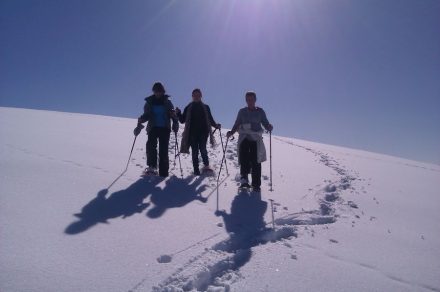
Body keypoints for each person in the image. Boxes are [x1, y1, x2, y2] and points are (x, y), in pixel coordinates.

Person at [226, 91, 273, 192]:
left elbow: (265, 122)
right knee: (244, 158)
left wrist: (269, 126)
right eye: (248, 100)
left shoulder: (260, 112)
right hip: (244, 137)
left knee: (256, 160)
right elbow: (237, 123)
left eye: (251, 99)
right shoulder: (242, 111)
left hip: (256, 138)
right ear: (246, 100)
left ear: (255, 100)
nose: (250, 101)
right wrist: (232, 132)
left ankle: (256, 184)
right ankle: (244, 180)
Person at [134, 82, 178, 177]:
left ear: (162, 91)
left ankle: (163, 172)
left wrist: (174, 118)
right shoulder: (149, 102)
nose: (158, 93)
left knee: (163, 149)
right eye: (156, 91)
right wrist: (142, 118)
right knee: (151, 146)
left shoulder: (167, 102)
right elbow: (147, 115)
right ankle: (152, 167)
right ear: (153, 91)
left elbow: (172, 113)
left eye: (159, 91)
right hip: (153, 127)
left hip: (165, 128)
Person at [175, 88, 220, 175]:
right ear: (192, 96)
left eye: (198, 95)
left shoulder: (206, 107)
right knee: (195, 151)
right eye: (194, 95)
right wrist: (178, 113)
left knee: (203, 149)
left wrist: (216, 125)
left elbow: (210, 119)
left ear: (201, 96)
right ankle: (196, 170)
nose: (196, 97)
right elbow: (182, 120)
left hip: (203, 132)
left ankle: (206, 166)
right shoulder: (188, 107)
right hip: (191, 133)